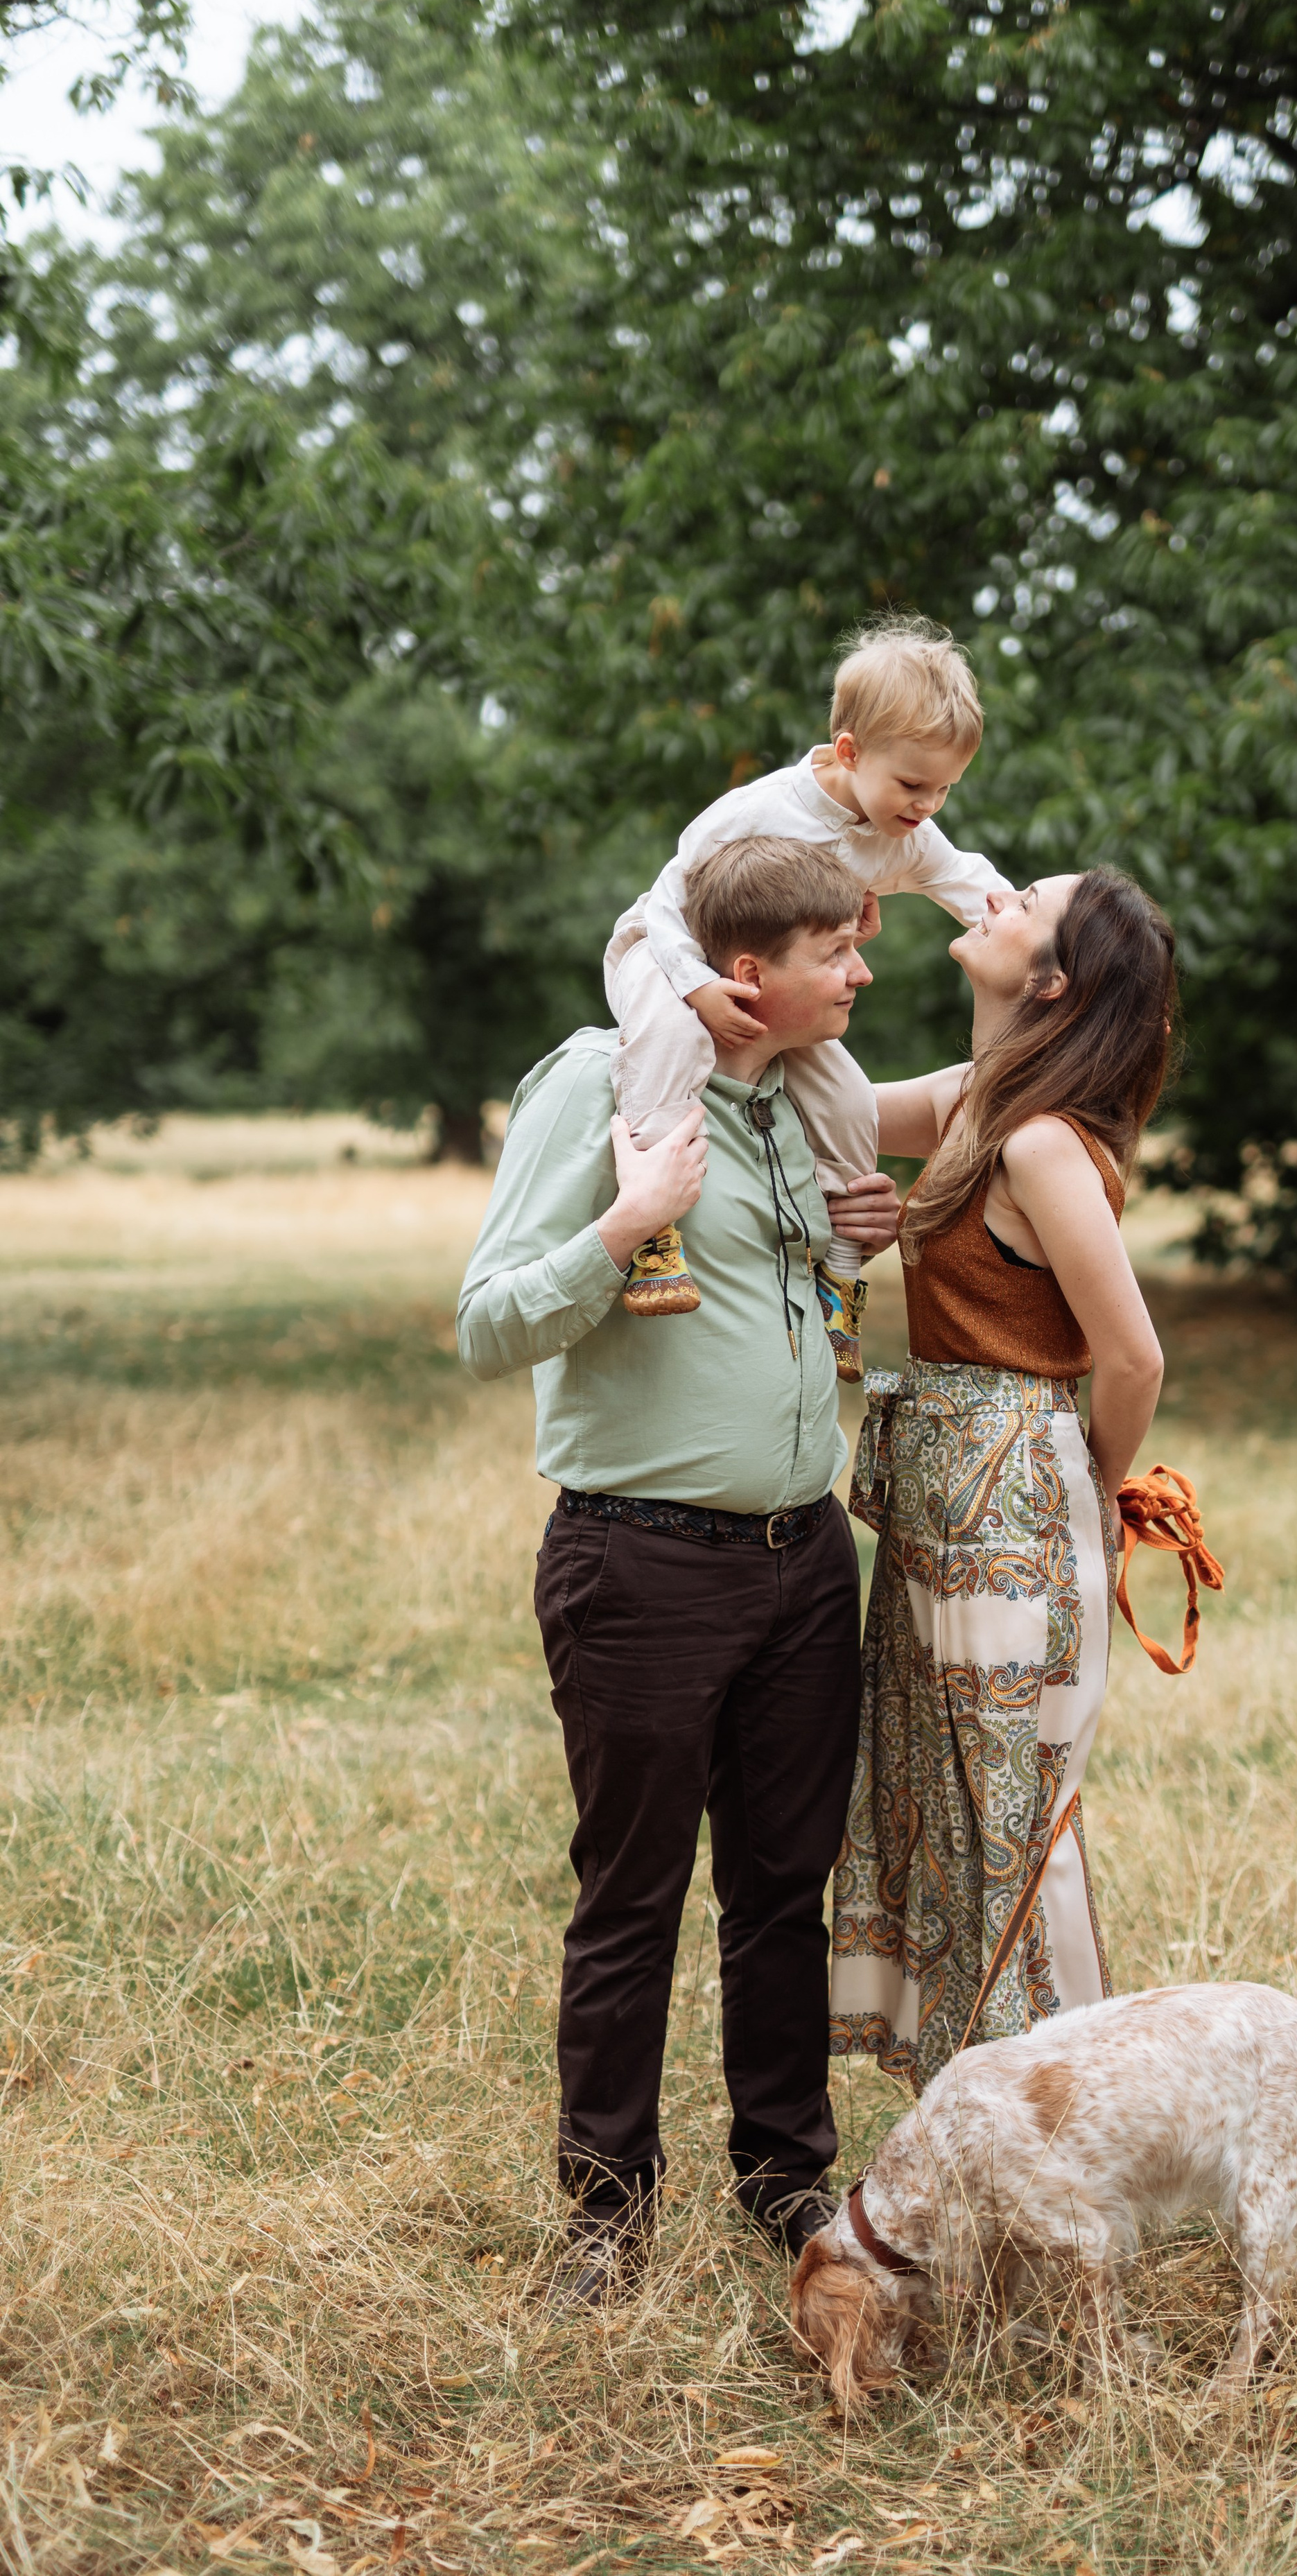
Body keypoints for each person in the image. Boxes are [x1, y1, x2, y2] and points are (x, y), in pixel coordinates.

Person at [458, 836, 901, 2300]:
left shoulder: (800, 1107)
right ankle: (604, 2215)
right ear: (743, 972)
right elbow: (485, 1323)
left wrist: (857, 1255)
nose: (860, 970)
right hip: (639, 1562)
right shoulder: (599, 1081)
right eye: (836, 950)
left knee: (784, 1892)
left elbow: (807, 1302)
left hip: (801, 1562)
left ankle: (785, 2182)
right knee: (631, 1895)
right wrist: (626, 1224)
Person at [830, 867, 1176, 2094]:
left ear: (1052, 981)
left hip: (1012, 1500)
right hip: (942, 1500)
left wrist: (1084, 1478)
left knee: (1011, 1824)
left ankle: (1065, 2122)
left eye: (1022, 896)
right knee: (943, 1795)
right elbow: (839, 1103)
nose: (990, 890)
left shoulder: (1037, 1142)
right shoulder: (983, 1100)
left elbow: (1132, 1352)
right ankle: (976, 2110)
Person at [600, 615, 1018, 1378]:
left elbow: (979, 890)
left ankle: (840, 1279)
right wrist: (695, 985)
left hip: (773, 986)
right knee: (675, 1040)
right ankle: (654, 1232)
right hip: (670, 953)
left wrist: (1057, 952)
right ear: (850, 752)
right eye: (913, 784)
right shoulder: (762, 809)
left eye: (947, 789)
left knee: (850, 1102)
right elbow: (666, 898)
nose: (928, 806)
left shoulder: (906, 837)